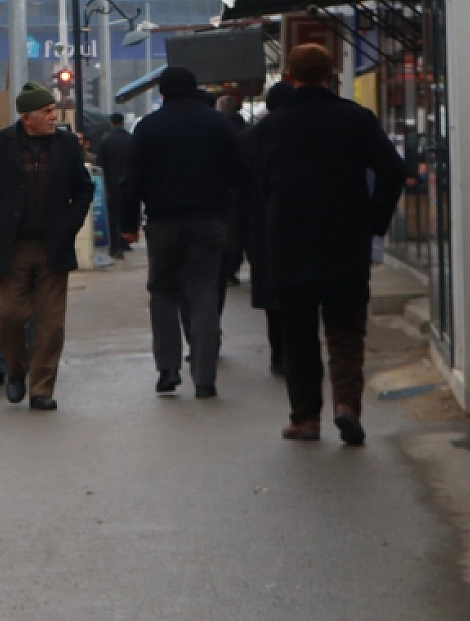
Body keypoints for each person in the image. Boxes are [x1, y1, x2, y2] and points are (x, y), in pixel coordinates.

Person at [250, 45, 405, 444]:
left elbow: (249, 183)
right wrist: (374, 220)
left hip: (289, 243)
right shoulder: (355, 120)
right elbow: (392, 169)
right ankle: (347, 405)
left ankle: (305, 419)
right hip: (345, 241)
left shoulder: (270, 127)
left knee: (298, 334)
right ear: (331, 74)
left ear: (289, 75)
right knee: (346, 331)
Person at [119, 66, 243, 399]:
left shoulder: (148, 128)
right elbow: (238, 173)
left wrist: (127, 225)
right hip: (209, 222)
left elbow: (132, 181)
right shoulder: (219, 124)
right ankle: (205, 377)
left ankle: (168, 369)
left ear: (163, 93)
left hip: (163, 223)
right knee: (203, 294)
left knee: (162, 292)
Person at [0, 83, 94, 410]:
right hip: (11, 246)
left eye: (54, 111)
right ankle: (15, 369)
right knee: (8, 314)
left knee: (51, 323)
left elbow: (83, 189)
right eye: (47, 112)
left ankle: (41, 389)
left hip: (53, 245)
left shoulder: (66, 145)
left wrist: (70, 224)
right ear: (27, 117)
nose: (54, 116)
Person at [238, 80, 295, 377]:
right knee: (303, 296)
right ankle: (301, 355)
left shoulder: (249, 139)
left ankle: (278, 355)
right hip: (302, 225)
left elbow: (238, 186)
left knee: (274, 296)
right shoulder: (304, 136)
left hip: (262, 225)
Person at [95, 112, 135, 260]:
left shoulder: (106, 141)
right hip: (129, 184)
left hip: (111, 184)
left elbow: (100, 164)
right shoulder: (131, 140)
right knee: (127, 213)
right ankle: (125, 240)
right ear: (123, 122)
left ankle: (115, 246)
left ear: (112, 123)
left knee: (113, 215)